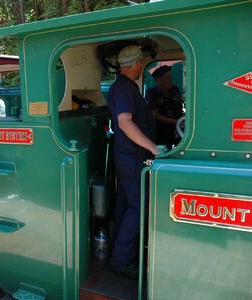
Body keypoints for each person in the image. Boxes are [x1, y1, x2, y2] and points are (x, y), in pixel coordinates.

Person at [107, 45, 158, 279]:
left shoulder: (125, 87)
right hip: (133, 158)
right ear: (137, 64)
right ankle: (121, 260)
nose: (141, 69)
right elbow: (125, 123)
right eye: (142, 65)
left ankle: (123, 252)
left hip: (131, 157)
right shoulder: (125, 89)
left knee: (127, 205)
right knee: (139, 206)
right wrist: (153, 148)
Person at [145, 65, 184, 149]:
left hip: (177, 132)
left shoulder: (175, 90)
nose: (170, 80)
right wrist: (177, 122)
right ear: (158, 80)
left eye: (170, 77)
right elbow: (155, 115)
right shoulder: (151, 93)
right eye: (167, 77)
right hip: (161, 133)